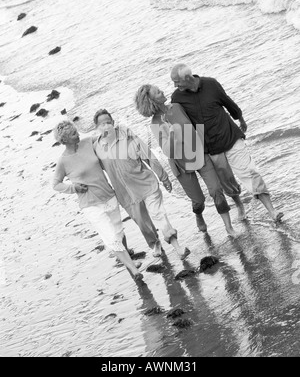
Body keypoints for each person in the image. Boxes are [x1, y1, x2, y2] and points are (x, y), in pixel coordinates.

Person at [170, 64, 284, 223]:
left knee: (250, 171)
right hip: (211, 146)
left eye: (177, 81)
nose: (175, 86)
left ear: (187, 78)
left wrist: (240, 118)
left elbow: (228, 102)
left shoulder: (211, 84)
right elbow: (180, 121)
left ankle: (272, 211)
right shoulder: (177, 97)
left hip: (230, 136)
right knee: (227, 180)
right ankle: (239, 205)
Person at [135, 84, 243, 237]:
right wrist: (171, 132)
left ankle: (229, 228)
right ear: (152, 102)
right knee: (198, 201)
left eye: (160, 89)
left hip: (199, 154)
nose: (162, 92)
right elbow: (167, 151)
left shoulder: (177, 107)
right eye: (158, 92)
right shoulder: (155, 124)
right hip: (181, 164)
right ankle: (198, 214)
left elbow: (196, 124)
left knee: (216, 190)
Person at [52, 120, 143, 282]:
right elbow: (56, 185)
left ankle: (126, 257)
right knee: (111, 238)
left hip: (108, 196)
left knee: (119, 232)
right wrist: (73, 188)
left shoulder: (88, 142)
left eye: (76, 131)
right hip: (90, 205)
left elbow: (105, 137)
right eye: (73, 134)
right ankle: (134, 269)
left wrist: (116, 127)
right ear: (64, 140)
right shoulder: (63, 161)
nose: (78, 134)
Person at [93, 109, 190, 260]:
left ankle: (178, 247)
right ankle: (155, 242)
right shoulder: (97, 148)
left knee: (159, 215)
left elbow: (149, 156)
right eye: (101, 124)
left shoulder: (129, 137)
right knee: (143, 223)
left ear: (113, 123)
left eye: (108, 122)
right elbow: (95, 171)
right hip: (126, 194)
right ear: (97, 128)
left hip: (146, 184)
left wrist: (163, 177)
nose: (105, 126)